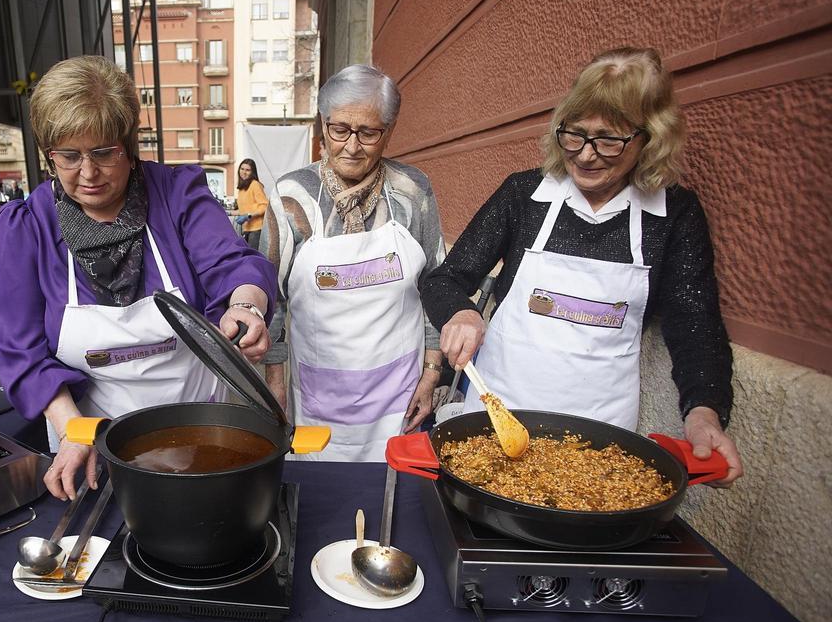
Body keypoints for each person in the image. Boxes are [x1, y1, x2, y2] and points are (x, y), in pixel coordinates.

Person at [422, 47, 743, 484]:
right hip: (496, 418)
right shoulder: (525, 195)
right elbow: (445, 278)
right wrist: (460, 312)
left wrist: (704, 411)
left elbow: (695, 327)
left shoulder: (673, 215)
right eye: (574, 135)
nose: (586, 155)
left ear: (650, 137)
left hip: (602, 436)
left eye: (609, 140)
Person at [0, 55, 276, 500]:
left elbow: (232, 264)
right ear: (49, 155)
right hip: (88, 444)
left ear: (130, 143)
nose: (88, 174)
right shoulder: (27, 226)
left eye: (104, 152)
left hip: (198, 429)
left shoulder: (176, 194)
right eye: (69, 156)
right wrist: (74, 431)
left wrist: (246, 305)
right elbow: (19, 351)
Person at [257, 64, 446, 461]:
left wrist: (431, 374)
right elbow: (271, 298)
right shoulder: (292, 195)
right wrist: (275, 384)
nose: (352, 146)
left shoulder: (412, 192)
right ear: (322, 126)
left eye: (369, 132)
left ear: (390, 131)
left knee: (392, 500)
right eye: (339, 129)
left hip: (399, 393)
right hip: (317, 394)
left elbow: (435, 285)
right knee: (323, 502)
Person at [235, 158, 268, 249]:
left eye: (247, 170)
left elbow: (265, 206)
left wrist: (248, 216)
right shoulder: (242, 189)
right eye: (242, 169)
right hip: (246, 229)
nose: (244, 172)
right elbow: (243, 210)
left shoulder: (255, 185)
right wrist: (227, 213)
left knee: (253, 259)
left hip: (256, 229)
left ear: (252, 172)